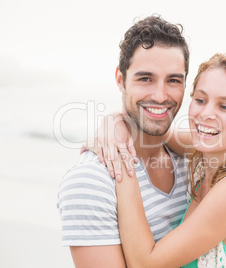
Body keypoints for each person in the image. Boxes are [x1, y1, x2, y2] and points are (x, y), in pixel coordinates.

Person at [107, 53, 226, 267]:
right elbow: (155, 133)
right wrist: (114, 122)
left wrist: (121, 156)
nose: (206, 113)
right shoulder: (208, 156)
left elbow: (145, 264)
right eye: (200, 100)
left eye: (224, 107)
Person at [57, 15, 190, 267]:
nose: (160, 96)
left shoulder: (192, 163)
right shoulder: (90, 180)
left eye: (173, 80)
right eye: (145, 78)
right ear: (120, 80)